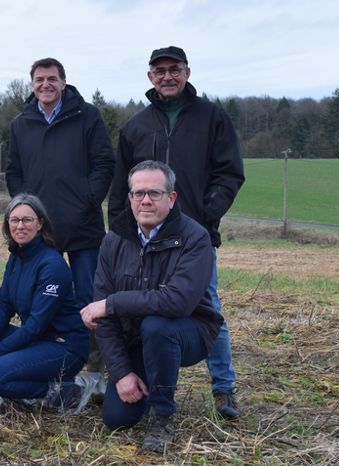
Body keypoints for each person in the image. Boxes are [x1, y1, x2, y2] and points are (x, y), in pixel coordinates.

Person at [107, 46, 245, 419]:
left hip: (192, 237)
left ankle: (223, 388)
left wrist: (206, 216)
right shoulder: (136, 126)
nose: (167, 76)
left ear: (187, 72)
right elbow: (121, 186)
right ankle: (146, 383)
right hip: (144, 239)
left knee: (208, 305)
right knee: (144, 311)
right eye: (159, 70)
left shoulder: (212, 118)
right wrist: (118, 234)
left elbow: (230, 173)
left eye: (174, 69)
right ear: (150, 77)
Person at [82, 161, 222, 452]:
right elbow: (104, 319)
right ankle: (148, 377)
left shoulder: (195, 238)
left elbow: (177, 302)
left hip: (189, 331)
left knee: (157, 326)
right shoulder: (113, 240)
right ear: (129, 197)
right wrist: (121, 374)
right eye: (138, 193)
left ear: (171, 199)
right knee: (116, 418)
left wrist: (113, 303)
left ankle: (162, 414)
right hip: (136, 337)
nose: (145, 200)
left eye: (154, 193)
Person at [5, 57, 115, 377]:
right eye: (39, 80)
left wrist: (87, 199)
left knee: (89, 298)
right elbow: (14, 170)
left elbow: (104, 164)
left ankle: (93, 366)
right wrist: (23, 207)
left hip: (83, 225)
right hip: (41, 232)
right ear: (32, 85)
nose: (45, 85)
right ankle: (46, 361)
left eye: (52, 79)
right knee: (41, 298)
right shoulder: (21, 123)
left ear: (63, 82)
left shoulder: (87, 116)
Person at [0, 194, 93, 414]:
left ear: (40, 224)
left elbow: (35, 327)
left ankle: (61, 390)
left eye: (27, 220)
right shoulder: (17, 257)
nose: (20, 226)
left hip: (63, 347)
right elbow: (3, 305)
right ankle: (16, 395)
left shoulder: (52, 265)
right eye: (14, 220)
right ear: (7, 224)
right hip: (36, 340)